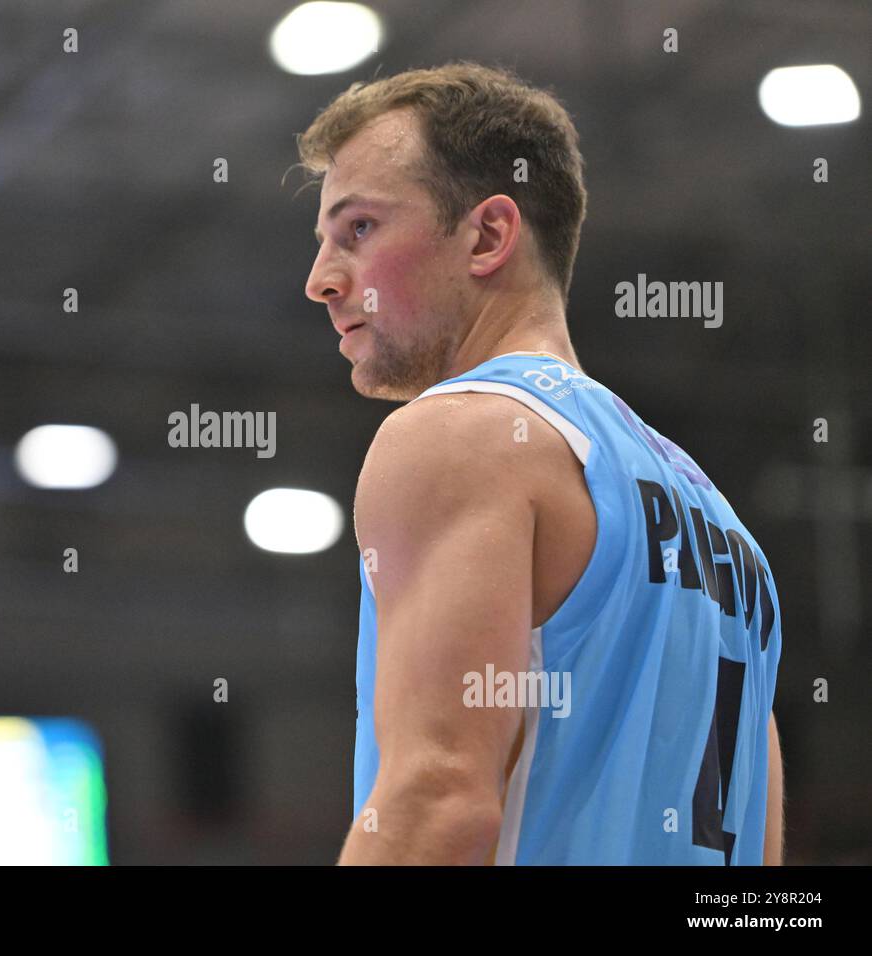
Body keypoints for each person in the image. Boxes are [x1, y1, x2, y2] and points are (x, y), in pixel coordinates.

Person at [296, 62, 784, 864]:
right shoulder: (730, 536)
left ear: (489, 235)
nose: (321, 279)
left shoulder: (461, 433)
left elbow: (438, 802)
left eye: (358, 229)